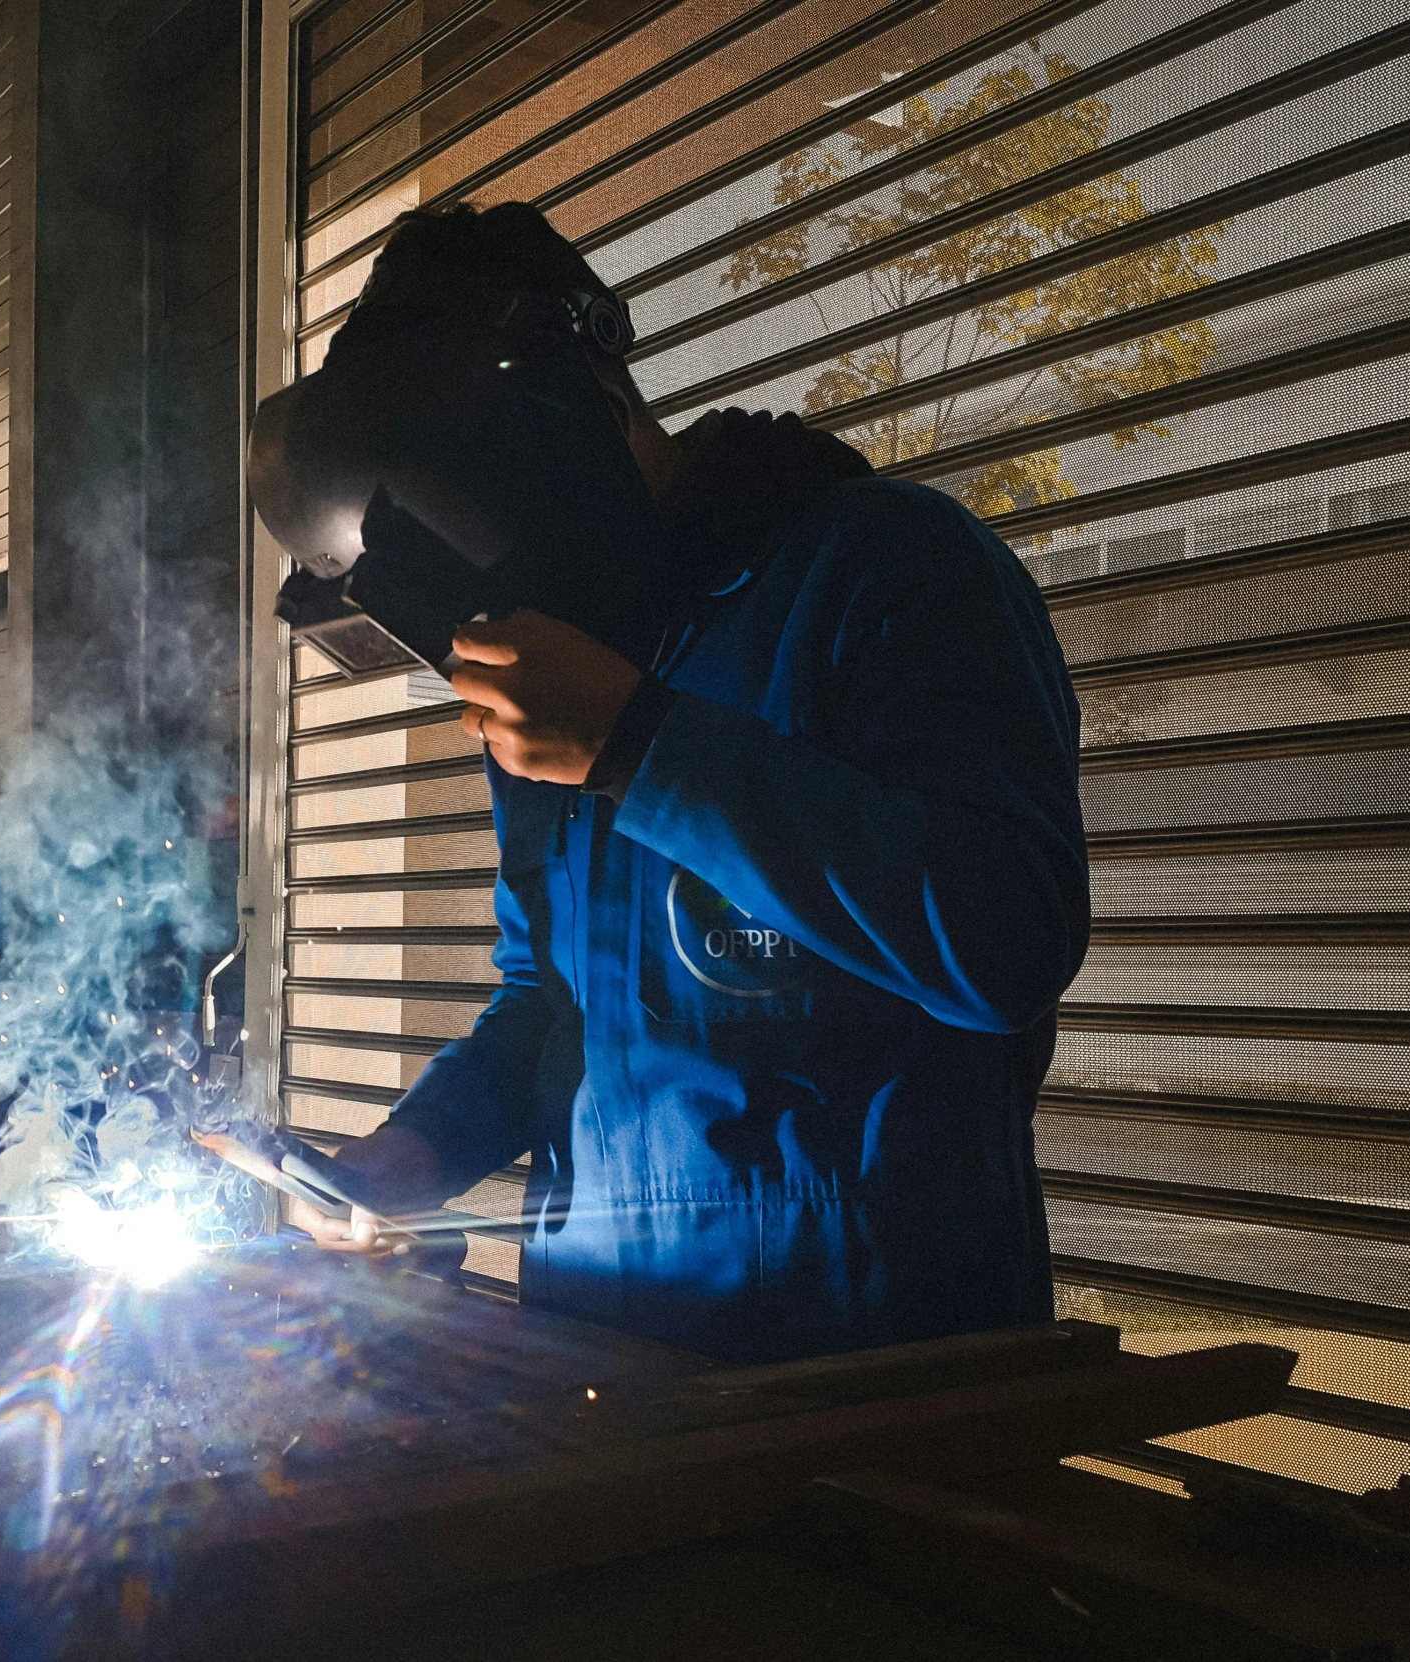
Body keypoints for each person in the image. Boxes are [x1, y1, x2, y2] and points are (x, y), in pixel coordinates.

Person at [285, 202, 1091, 1365]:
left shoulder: (886, 569)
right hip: (601, 1368)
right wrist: (412, 1157)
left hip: (875, 1386)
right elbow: (548, 1000)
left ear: (590, 409)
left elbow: (1004, 935)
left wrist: (638, 746)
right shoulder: (546, 651)